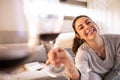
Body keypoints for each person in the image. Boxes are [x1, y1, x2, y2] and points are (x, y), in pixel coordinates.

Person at [46, 15, 120, 80]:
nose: (87, 27)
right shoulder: (82, 52)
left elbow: (118, 69)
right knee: (90, 76)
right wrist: (70, 66)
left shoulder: (117, 40)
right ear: (79, 36)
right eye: (81, 27)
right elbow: (81, 77)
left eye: (88, 22)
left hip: (117, 73)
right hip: (97, 76)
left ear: (95, 25)